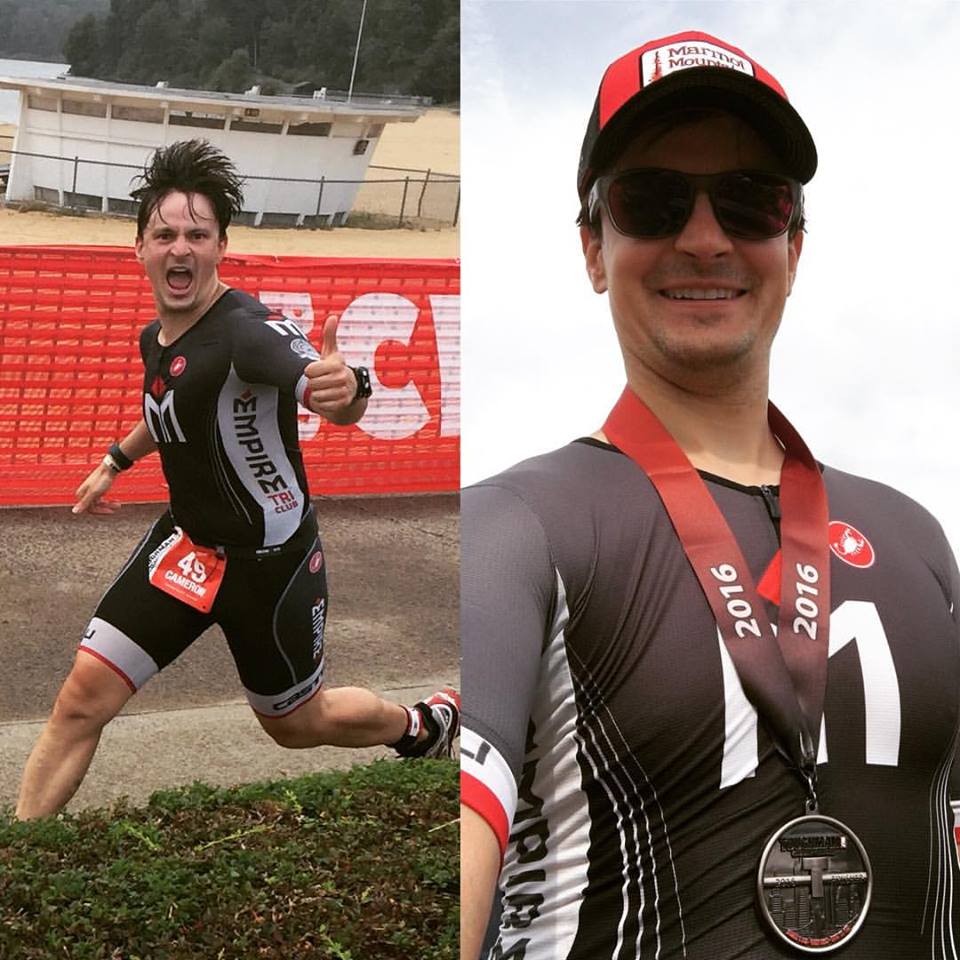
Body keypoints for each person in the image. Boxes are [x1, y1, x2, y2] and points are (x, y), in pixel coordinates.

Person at [461, 30, 960, 959]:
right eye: (651, 201)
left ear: (794, 245)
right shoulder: (515, 528)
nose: (704, 238)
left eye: (750, 202)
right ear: (592, 249)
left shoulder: (919, 539)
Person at [16, 139, 459, 821]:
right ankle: (18, 861)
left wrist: (352, 387)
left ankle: (421, 725)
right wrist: (116, 460)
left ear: (222, 245)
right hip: (187, 550)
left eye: (197, 234)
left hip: (269, 568)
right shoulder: (154, 338)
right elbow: (167, 406)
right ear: (139, 247)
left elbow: (323, 390)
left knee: (295, 726)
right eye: (165, 234)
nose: (180, 248)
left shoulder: (250, 332)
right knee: (81, 700)